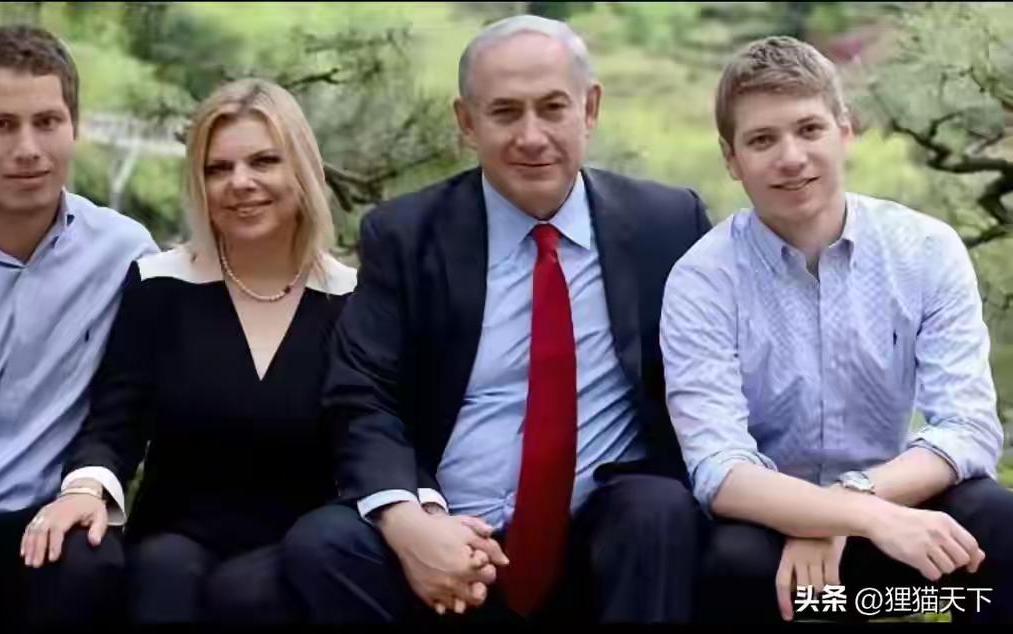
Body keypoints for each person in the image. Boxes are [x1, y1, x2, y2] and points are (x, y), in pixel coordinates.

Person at [280, 14, 713, 624]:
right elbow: (361, 396)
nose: (531, 137)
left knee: (660, 510)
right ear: (466, 122)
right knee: (322, 546)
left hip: (598, 533)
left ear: (589, 109)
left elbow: (717, 373)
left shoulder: (666, 225)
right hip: (448, 525)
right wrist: (412, 520)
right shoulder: (406, 236)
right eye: (505, 113)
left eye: (553, 108)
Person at [660, 35, 1013, 623]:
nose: (791, 157)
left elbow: (968, 427)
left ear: (845, 130)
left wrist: (856, 503)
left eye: (809, 129)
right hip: (775, 542)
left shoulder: (925, 250)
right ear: (731, 158)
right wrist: (840, 516)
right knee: (730, 564)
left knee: (996, 522)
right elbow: (719, 468)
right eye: (762, 140)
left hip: (897, 524)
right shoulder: (703, 279)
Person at [19, 78, 357, 623]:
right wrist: (84, 489)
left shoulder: (353, 301)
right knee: (164, 575)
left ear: (302, 168)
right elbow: (116, 422)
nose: (240, 183)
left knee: (248, 595)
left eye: (263, 161)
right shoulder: (159, 285)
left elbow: (369, 442)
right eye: (217, 168)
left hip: (294, 549)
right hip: (174, 539)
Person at [0, 24, 158, 623]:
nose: (29, 148)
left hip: (48, 520)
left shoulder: (123, 253)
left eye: (48, 122)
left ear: (74, 128)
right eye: (2, 125)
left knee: (93, 565)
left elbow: (130, 402)